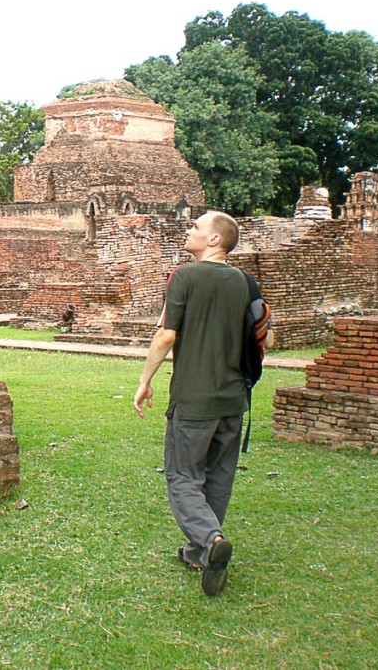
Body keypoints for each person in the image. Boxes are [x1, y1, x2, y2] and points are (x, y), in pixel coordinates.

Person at [134, 210, 274, 596]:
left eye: (196, 226)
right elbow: (267, 340)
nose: (189, 230)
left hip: (194, 399)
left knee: (182, 477)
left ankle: (211, 540)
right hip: (234, 400)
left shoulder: (185, 276)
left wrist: (145, 381)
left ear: (215, 240)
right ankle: (200, 553)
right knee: (218, 478)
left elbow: (166, 336)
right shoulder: (247, 282)